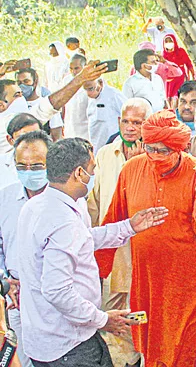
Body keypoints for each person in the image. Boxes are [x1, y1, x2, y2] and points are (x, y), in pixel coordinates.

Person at [17, 137, 167, 366]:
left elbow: (83, 239)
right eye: (92, 169)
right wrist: (102, 319)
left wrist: (129, 227)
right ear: (79, 173)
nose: (94, 174)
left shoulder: (40, 205)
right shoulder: (61, 220)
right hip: (67, 344)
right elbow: (57, 290)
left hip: (57, 335)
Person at [96, 110, 196, 366]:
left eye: (163, 150)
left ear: (178, 148)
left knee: (183, 351)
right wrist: (97, 269)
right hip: (148, 283)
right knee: (150, 346)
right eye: (150, 148)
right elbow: (113, 220)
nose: (155, 156)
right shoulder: (132, 169)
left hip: (190, 284)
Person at [86, 98, 152, 365]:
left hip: (142, 253)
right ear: (118, 122)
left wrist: (136, 168)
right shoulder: (105, 154)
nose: (130, 128)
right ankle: (124, 359)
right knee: (112, 311)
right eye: (126, 121)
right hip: (111, 251)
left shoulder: (154, 157)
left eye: (137, 123)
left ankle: (142, 356)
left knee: (142, 311)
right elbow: (95, 202)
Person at [0, 130, 51, 367]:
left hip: (53, 299)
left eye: (37, 166)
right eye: (22, 166)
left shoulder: (65, 199)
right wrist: (5, 281)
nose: (29, 172)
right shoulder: (5, 199)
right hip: (16, 298)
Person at [0, 61, 108, 153]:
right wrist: (80, 79)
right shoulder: (7, 123)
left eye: (21, 93)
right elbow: (49, 105)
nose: (22, 96)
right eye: (16, 95)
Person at [15, 68, 63, 140]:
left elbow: (56, 134)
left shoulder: (47, 104)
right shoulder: (15, 105)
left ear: (35, 82)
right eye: (19, 82)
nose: (22, 85)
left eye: (26, 81)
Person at [0, 114, 43, 189]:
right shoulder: (2, 164)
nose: (30, 142)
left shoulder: (53, 162)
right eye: (23, 138)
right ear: (10, 140)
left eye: (36, 136)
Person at [82, 78, 126, 152]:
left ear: (100, 83)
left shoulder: (114, 95)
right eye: (85, 90)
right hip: (96, 143)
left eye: (91, 89)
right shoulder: (90, 99)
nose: (88, 93)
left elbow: (127, 113)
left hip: (112, 142)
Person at [63, 54, 91, 141]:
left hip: (86, 130)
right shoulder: (66, 80)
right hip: (70, 127)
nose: (73, 72)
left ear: (84, 67)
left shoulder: (92, 81)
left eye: (76, 68)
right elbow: (64, 103)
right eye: (71, 69)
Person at [162, 34, 195, 102]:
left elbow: (189, 64)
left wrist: (193, 76)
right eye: (166, 42)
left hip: (181, 77)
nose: (168, 43)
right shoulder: (164, 55)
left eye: (170, 41)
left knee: (179, 96)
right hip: (170, 80)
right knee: (169, 98)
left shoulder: (180, 51)